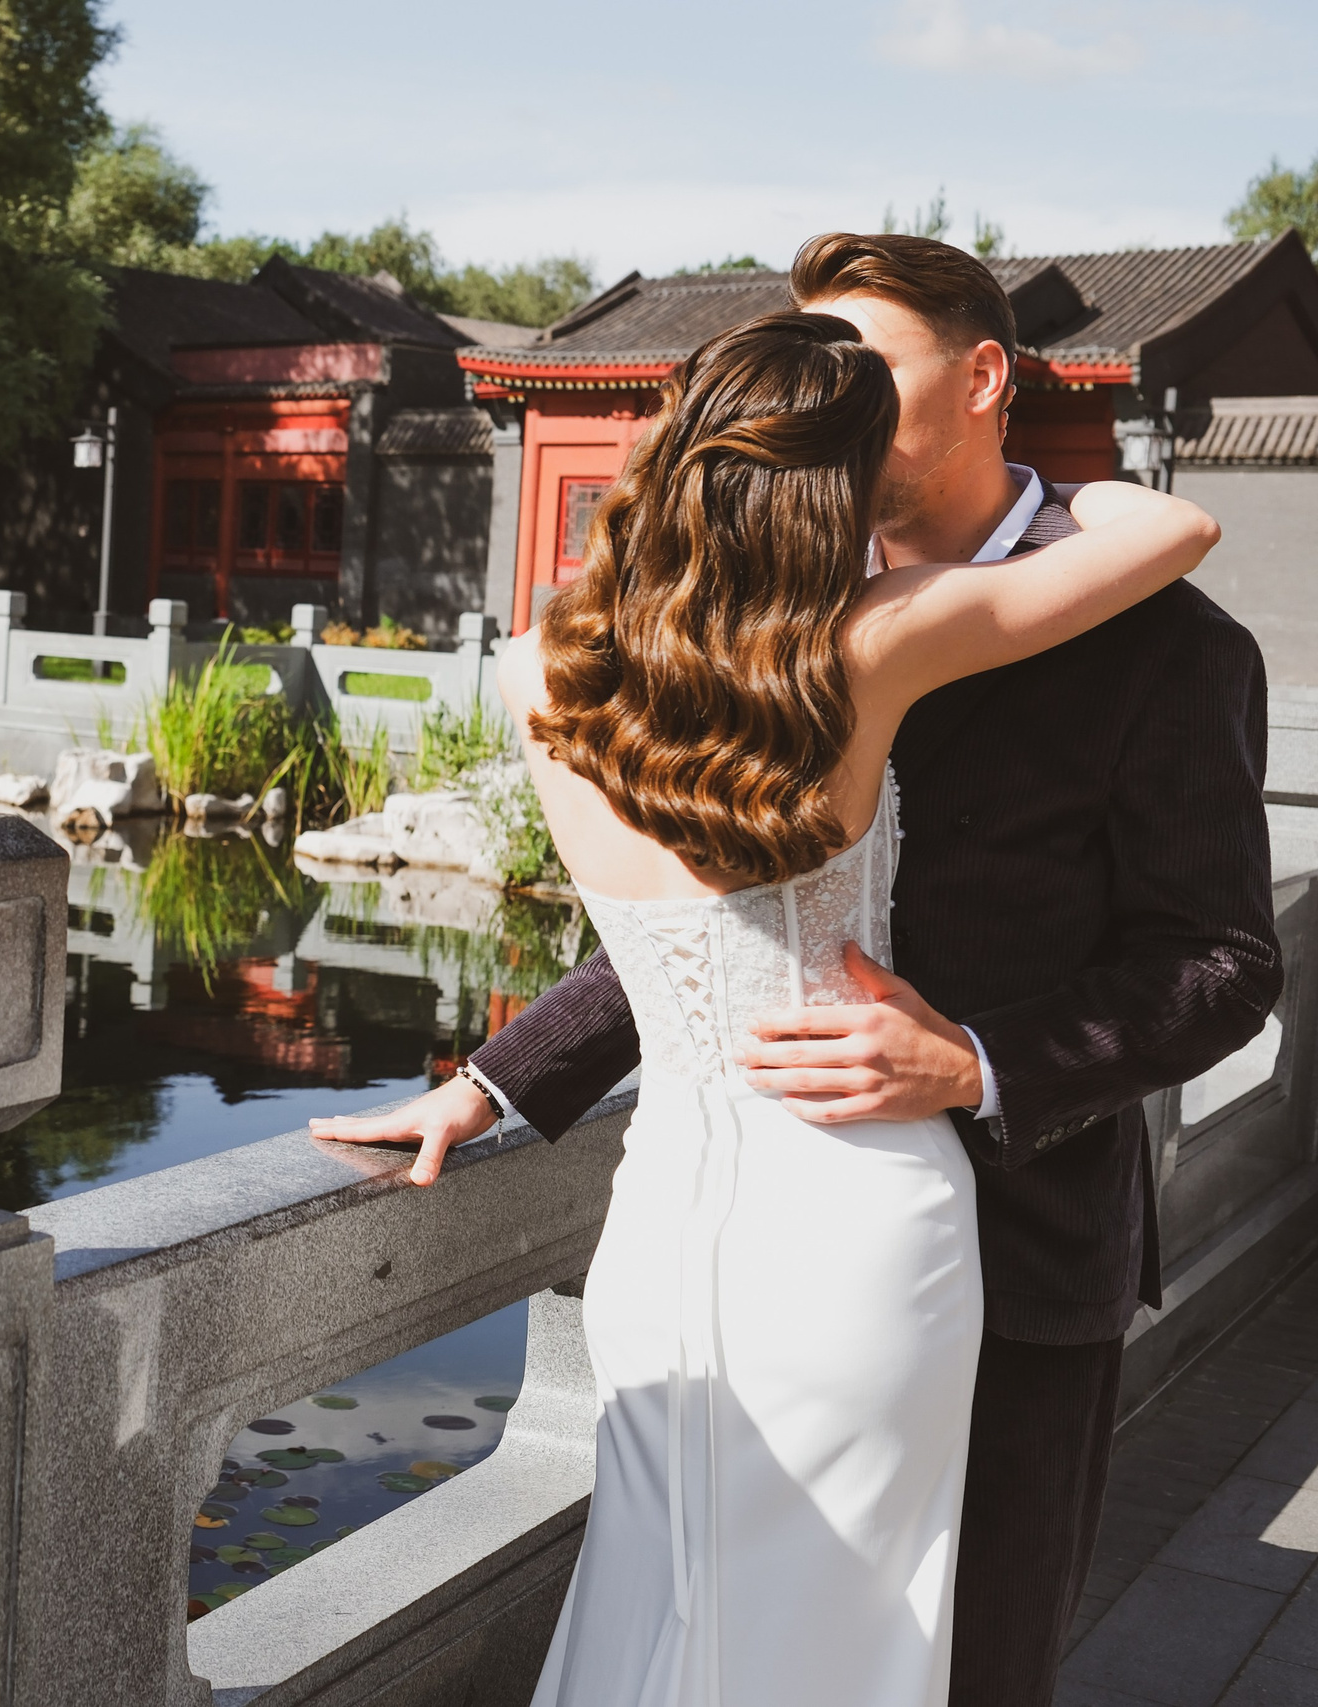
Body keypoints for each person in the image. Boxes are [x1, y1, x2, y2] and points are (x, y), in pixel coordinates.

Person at [318, 238, 1275, 1706]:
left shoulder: (1164, 649)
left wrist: (978, 1060)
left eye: (862, 369)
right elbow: (720, 934)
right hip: (819, 1227)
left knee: (970, 1663)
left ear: (983, 381)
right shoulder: (800, 628)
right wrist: (502, 1080)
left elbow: (1221, 965)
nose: (832, 396)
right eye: (809, 365)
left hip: (1019, 1250)